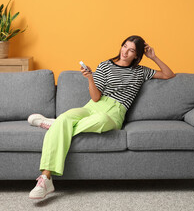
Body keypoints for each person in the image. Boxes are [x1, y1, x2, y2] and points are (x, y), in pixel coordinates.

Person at [28, 35, 176, 199]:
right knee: (66, 117)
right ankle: (45, 178)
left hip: (114, 112)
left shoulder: (141, 71)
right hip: (92, 107)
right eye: (124, 46)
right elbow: (95, 98)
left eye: (131, 50)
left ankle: (56, 126)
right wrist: (90, 78)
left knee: (99, 121)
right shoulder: (105, 66)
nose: (125, 52)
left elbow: (169, 74)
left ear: (137, 55)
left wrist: (154, 57)